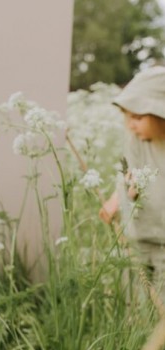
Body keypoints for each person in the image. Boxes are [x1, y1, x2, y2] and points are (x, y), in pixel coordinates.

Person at [99, 66, 165, 298]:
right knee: (137, 299)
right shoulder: (138, 142)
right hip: (139, 236)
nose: (131, 125)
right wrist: (115, 200)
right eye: (127, 117)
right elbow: (128, 176)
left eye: (138, 117)